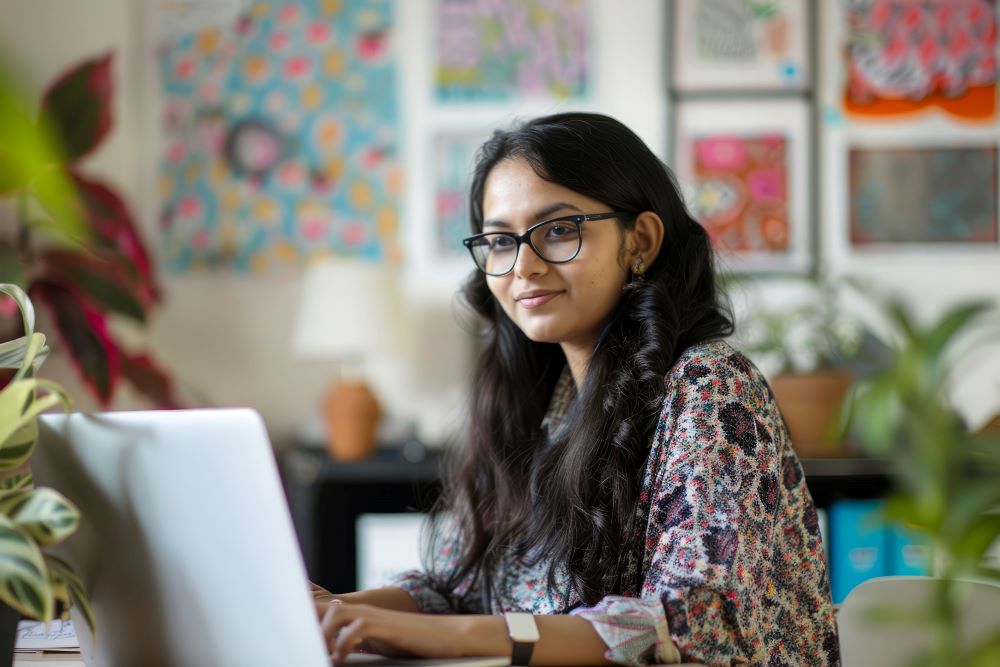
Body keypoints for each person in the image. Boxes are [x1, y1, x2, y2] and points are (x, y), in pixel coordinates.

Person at [313, 113, 840, 666]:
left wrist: (462, 638)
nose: (523, 266)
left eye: (559, 230)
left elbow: (693, 626)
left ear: (640, 241)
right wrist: (338, 609)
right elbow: (457, 588)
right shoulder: (540, 401)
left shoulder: (709, 388)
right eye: (499, 240)